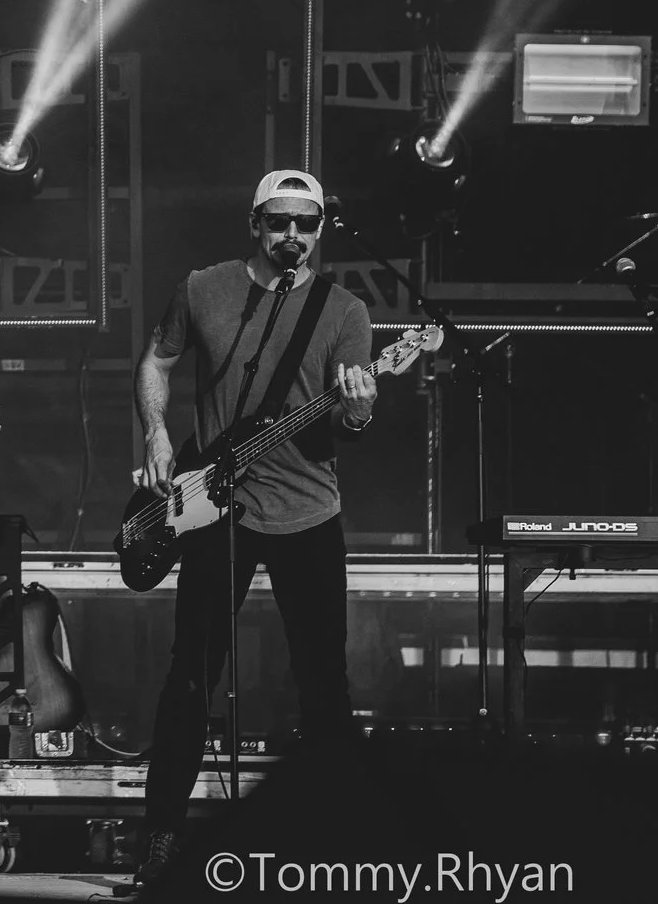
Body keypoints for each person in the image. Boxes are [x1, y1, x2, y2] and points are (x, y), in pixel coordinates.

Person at [125, 171, 377, 892]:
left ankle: (338, 851)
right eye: (279, 222)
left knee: (325, 684)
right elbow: (158, 358)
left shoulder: (343, 309)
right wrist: (157, 435)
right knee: (189, 680)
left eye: (306, 223)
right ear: (254, 224)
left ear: (322, 228)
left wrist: (358, 412)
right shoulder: (203, 288)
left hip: (309, 515)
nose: (292, 235)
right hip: (213, 507)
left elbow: (351, 422)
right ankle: (163, 844)